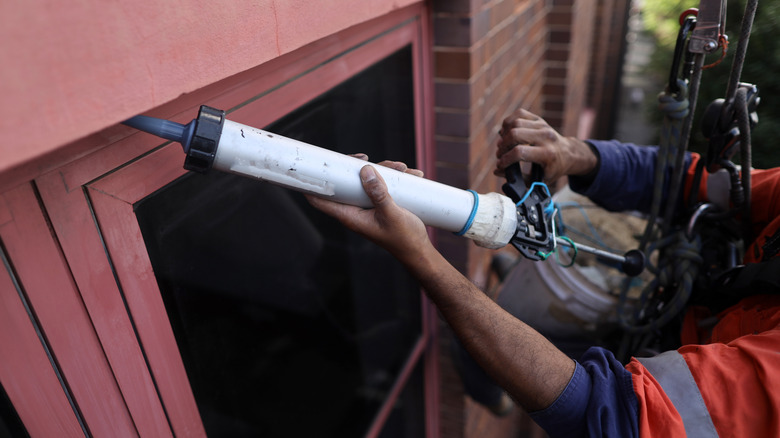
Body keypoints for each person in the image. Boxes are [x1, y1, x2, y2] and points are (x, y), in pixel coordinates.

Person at [307, 108, 780, 437]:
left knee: (489, 336)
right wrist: (576, 153)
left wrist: (423, 258)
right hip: (674, 321)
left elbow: (610, 415)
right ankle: (489, 386)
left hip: (656, 391)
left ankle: (493, 396)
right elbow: (696, 185)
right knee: (483, 343)